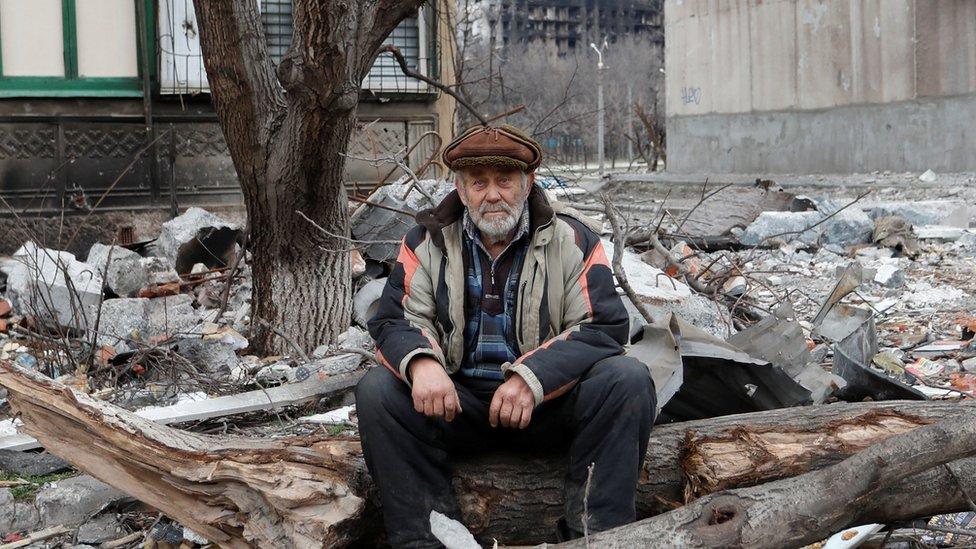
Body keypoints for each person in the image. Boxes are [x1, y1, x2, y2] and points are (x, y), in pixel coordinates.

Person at [357, 124, 656, 547]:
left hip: (546, 407)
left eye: (504, 181)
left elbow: (603, 326)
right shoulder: (427, 241)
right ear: (461, 190)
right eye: (479, 183)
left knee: (627, 379)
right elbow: (394, 320)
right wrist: (423, 364)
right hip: (457, 406)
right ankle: (427, 540)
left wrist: (532, 378)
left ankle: (594, 538)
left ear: (527, 183)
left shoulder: (572, 239)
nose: (492, 195)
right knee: (377, 392)